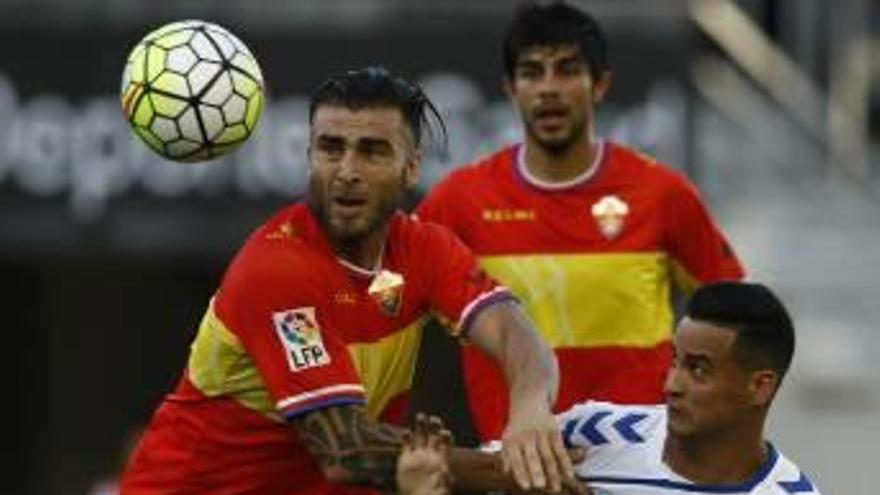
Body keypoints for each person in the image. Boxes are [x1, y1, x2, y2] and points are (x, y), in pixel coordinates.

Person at [121, 67, 573, 494]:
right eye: (331, 148)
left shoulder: (425, 248)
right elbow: (346, 449)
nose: (347, 171)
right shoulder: (276, 269)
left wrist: (531, 407)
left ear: (411, 167)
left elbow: (510, 325)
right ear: (309, 155)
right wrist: (518, 474)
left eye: (373, 151)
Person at [416, 1, 745, 443]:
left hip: (641, 465)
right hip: (514, 463)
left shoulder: (663, 193)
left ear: (600, 85)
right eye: (532, 72)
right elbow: (387, 297)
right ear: (511, 89)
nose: (549, 88)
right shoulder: (460, 200)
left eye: (568, 70)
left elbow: (733, 312)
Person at [408, 282, 823, 495]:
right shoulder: (598, 431)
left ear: (760, 387)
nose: (671, 384)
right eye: (675, 361)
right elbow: (468, 470)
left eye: (698, 370)